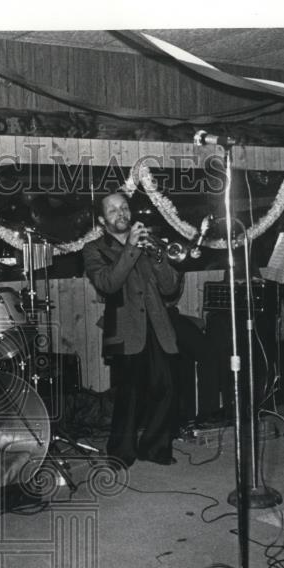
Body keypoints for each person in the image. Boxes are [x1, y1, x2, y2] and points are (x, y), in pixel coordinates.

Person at [83, 193, 181, 468]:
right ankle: (120, 453)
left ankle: (156, 448)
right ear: (103, 221)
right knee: (129, 395)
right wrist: (131, 249)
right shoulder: (94, 249)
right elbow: (107, 283)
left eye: (124, 207)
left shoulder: (151, 243)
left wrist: (159, 256)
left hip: (158, 325)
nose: (121, 213)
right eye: (113, 210)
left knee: (167, 388)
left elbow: (171, 287)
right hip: (125, 329)